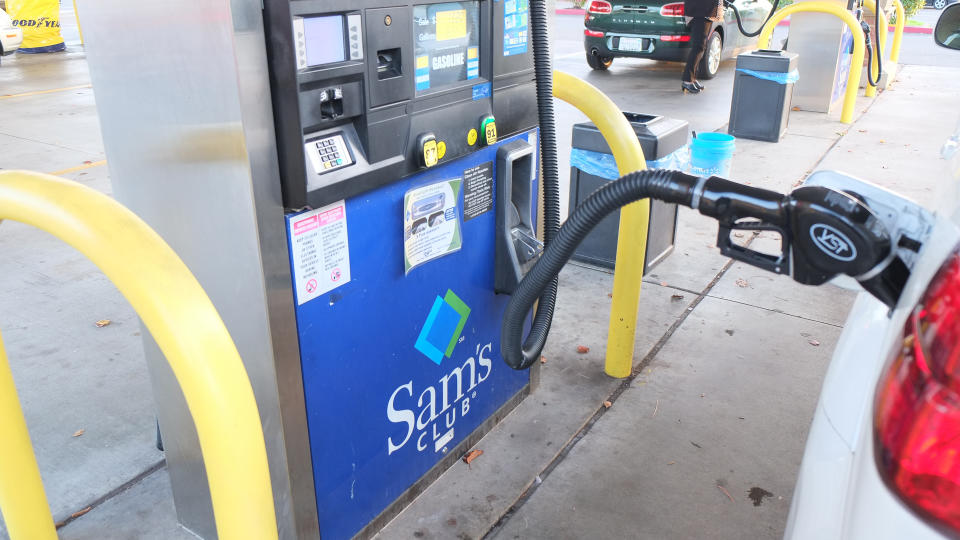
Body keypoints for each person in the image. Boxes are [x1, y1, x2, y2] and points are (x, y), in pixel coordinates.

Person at [681, 0, 724, 94]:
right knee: (699, 47)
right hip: (700, 11)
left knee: (701, 47)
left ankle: (692, 78)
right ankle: (687, 80)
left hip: (704, 12)